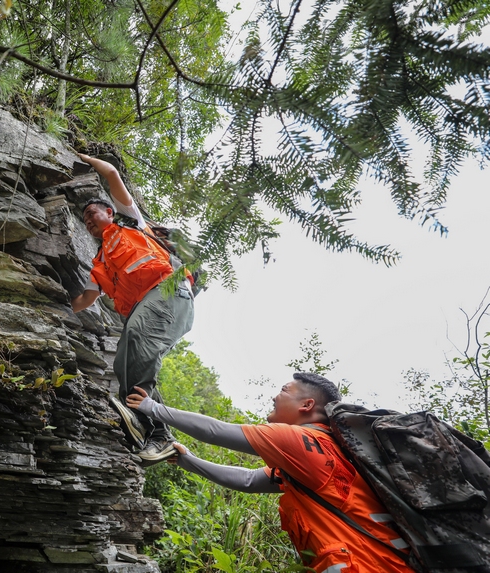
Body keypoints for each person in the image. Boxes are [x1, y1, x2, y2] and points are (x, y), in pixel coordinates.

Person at [125, 372, 416, 572]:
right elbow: (250, 480)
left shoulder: (302, 441)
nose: (275, 396)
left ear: (307, 405)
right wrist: (190, 462)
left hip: (365, 565)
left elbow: (216, 431)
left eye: (284, 390)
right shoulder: (326, 452)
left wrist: (152, 407)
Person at [70, 153, 194, 466]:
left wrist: (79, 156)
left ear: (109, 212)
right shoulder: (99, 264)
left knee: (136, 336)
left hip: (169, 290)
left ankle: (159, 433)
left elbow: (110, 172)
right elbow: (86, 299)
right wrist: (58, 309)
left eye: (91, 214)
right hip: (148, 305)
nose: (88, 222)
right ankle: (149, 429)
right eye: (84, 221)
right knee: (124, 359)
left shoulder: (130, 222)